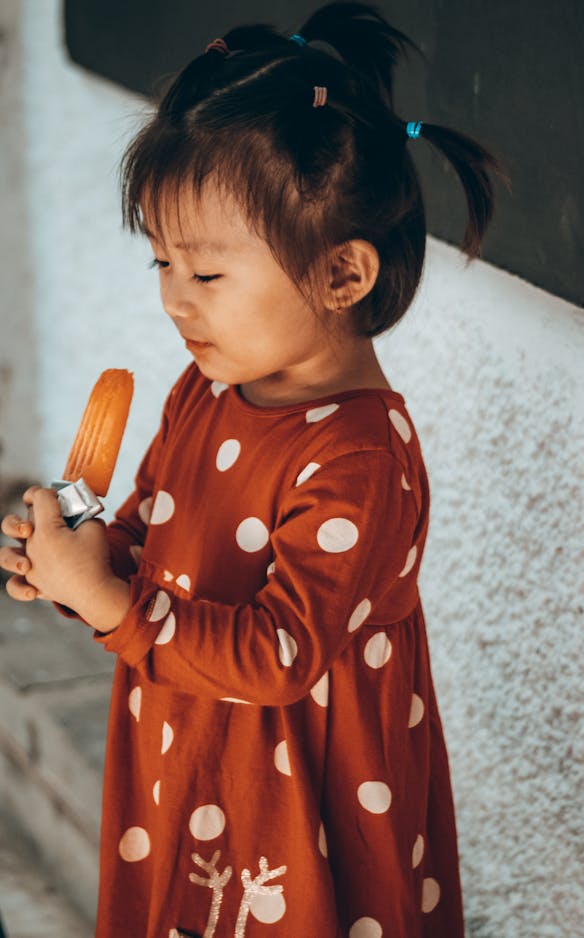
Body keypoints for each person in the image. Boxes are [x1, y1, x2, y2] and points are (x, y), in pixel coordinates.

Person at [0, 4, 498, 935]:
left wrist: (113, 607)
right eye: (159, 260)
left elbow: (280, 657)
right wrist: (77, 562)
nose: (172, 299)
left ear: (342, 276)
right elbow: (146, 536)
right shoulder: (207, 388)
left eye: (208, 275)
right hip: (185, 754)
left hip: (296, 807)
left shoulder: (358, 458)